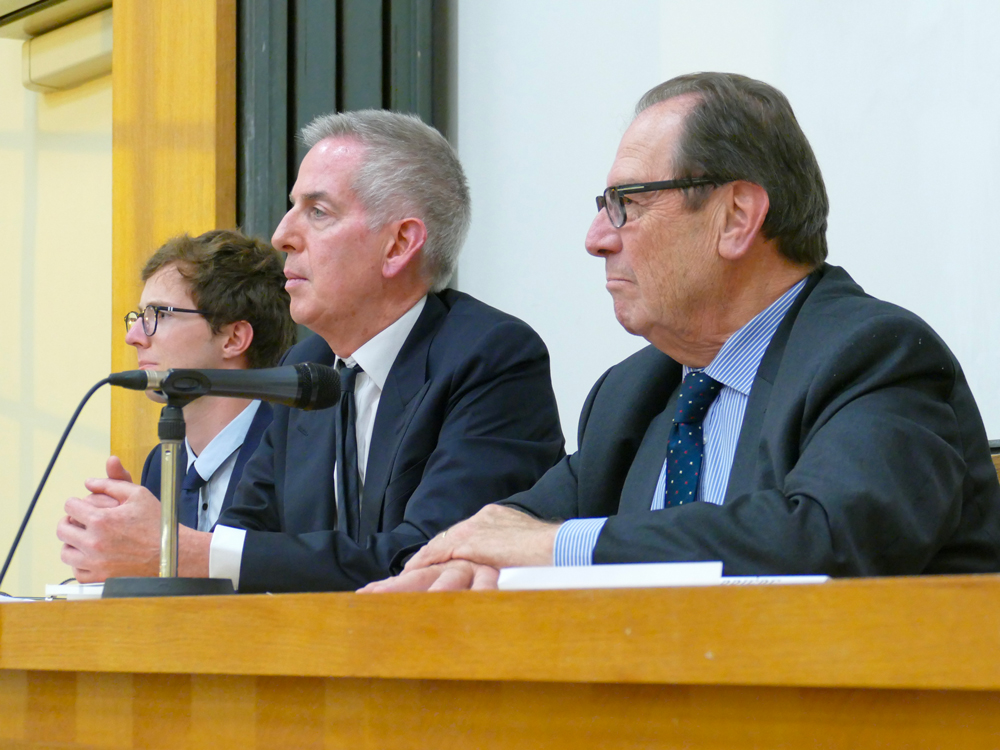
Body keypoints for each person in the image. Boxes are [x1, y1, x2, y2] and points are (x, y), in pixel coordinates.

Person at [363, 72, 1000, 593]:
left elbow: (821, 542)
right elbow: (520, 521)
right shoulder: (635, 391)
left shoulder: (875, 357)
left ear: (737, 217)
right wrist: (464, 560)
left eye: (629, 204)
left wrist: (552, 546)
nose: (596, 239)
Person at [58, 110, 565, 592]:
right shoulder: (308, 369)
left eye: (318, 212)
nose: (281, 235)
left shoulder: (490, 357)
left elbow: (430, 558)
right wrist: (136, 555)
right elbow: (246, 537)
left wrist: (177, 551)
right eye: (292, 206)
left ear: (398, 244)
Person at [130, 230, 297, 531]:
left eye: (160, 315)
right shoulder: (162, 463)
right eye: (140, 316)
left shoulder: (294, 454)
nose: (135, 337)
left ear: (233, 338)